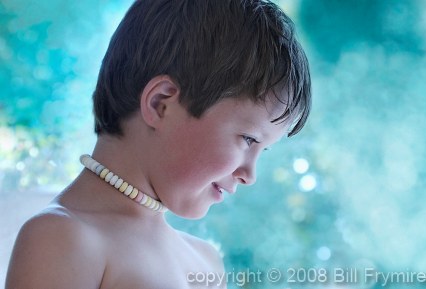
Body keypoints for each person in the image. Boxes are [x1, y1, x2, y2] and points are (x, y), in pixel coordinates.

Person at [5, 0, 311, 288]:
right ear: (160, 104)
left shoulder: (205, 264)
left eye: (262, 150)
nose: (250, 174)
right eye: (248, 140)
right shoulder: (63, 238)